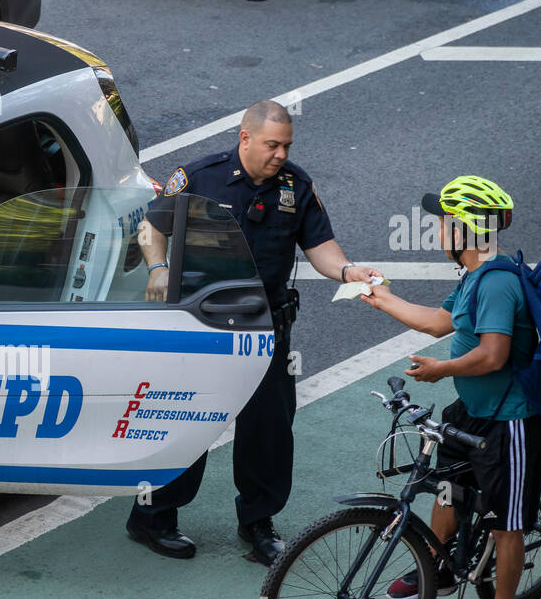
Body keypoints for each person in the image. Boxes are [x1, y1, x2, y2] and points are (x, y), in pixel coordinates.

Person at [125, 99, 382, 564]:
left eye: (286, 145)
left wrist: (347, 271)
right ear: (245, 138)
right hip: (203, 326)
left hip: (265, 327)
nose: (281, 154)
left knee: (268, 429)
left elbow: (321, 246)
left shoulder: (296, 186)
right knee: (184, 420)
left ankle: (258, 524)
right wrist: (158, 268)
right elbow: (150, 225)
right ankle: (152, 516)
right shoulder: (200, 177)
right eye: (272, 145)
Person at [361, 175, 541, 599]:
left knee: (506, 523)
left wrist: (442, 369)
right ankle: (439, 566)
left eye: (445, 221)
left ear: (465, 229)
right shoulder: (473, 275)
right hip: (472, 410)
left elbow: (493, 355)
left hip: (510, 421)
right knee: (448, 487)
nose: (438, 229)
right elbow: (439, 321)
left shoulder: (499, 283)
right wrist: (380, 297)